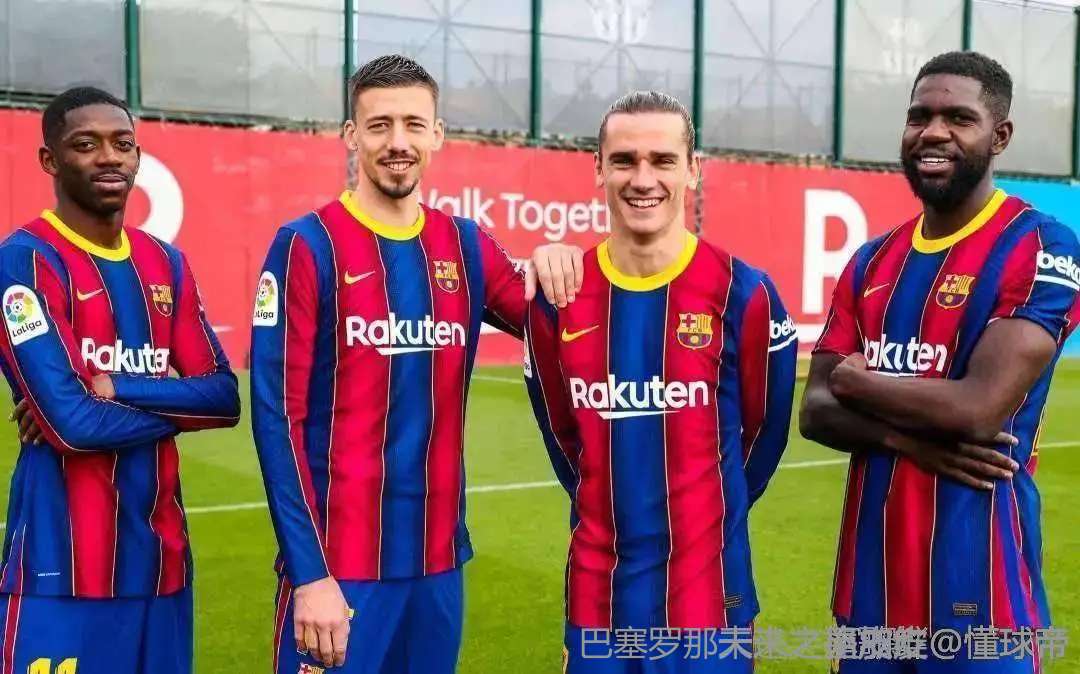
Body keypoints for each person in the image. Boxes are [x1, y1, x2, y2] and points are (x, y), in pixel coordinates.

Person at [250, 54, 582, 674]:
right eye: (379, 125)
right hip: (340, 572)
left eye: (413, 124)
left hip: (437, 565)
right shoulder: (306, 245)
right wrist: (309, 575)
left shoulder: (465, 245)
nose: (397, 142)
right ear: (351, 136)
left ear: (438, 134)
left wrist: (559, 259)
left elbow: (564, 324)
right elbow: (275, 420)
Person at [800, 51, 1080, 673]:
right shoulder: (872, 261)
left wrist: (856, 381)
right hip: (870, 594)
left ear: (999, 136)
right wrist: (904, 438)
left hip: (984, 591)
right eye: (919, 116)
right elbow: (815, 412)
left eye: (958, 118)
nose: (933, 132)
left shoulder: (1041, 244)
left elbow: (978, 410)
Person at [523, 90, 798, 673]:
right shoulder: (557, 301)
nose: (642, 179)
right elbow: (564, 443)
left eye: (663, 160)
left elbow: (766, 434)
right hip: (599, 600)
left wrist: (706, 513)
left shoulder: (745, 294)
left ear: (693, 169)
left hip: (712, 599)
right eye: (624, 160)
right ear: (598, 168)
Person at [0, 87, 241, 674]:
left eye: (123, 143)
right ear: (50, 160)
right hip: (60, 570)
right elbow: (73, 426)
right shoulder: (24, 260)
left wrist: (115, 387)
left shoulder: (166, 263)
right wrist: (177, 407)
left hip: (162, 567)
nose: (109, 157)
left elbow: (224, 396)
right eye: (86, 144)